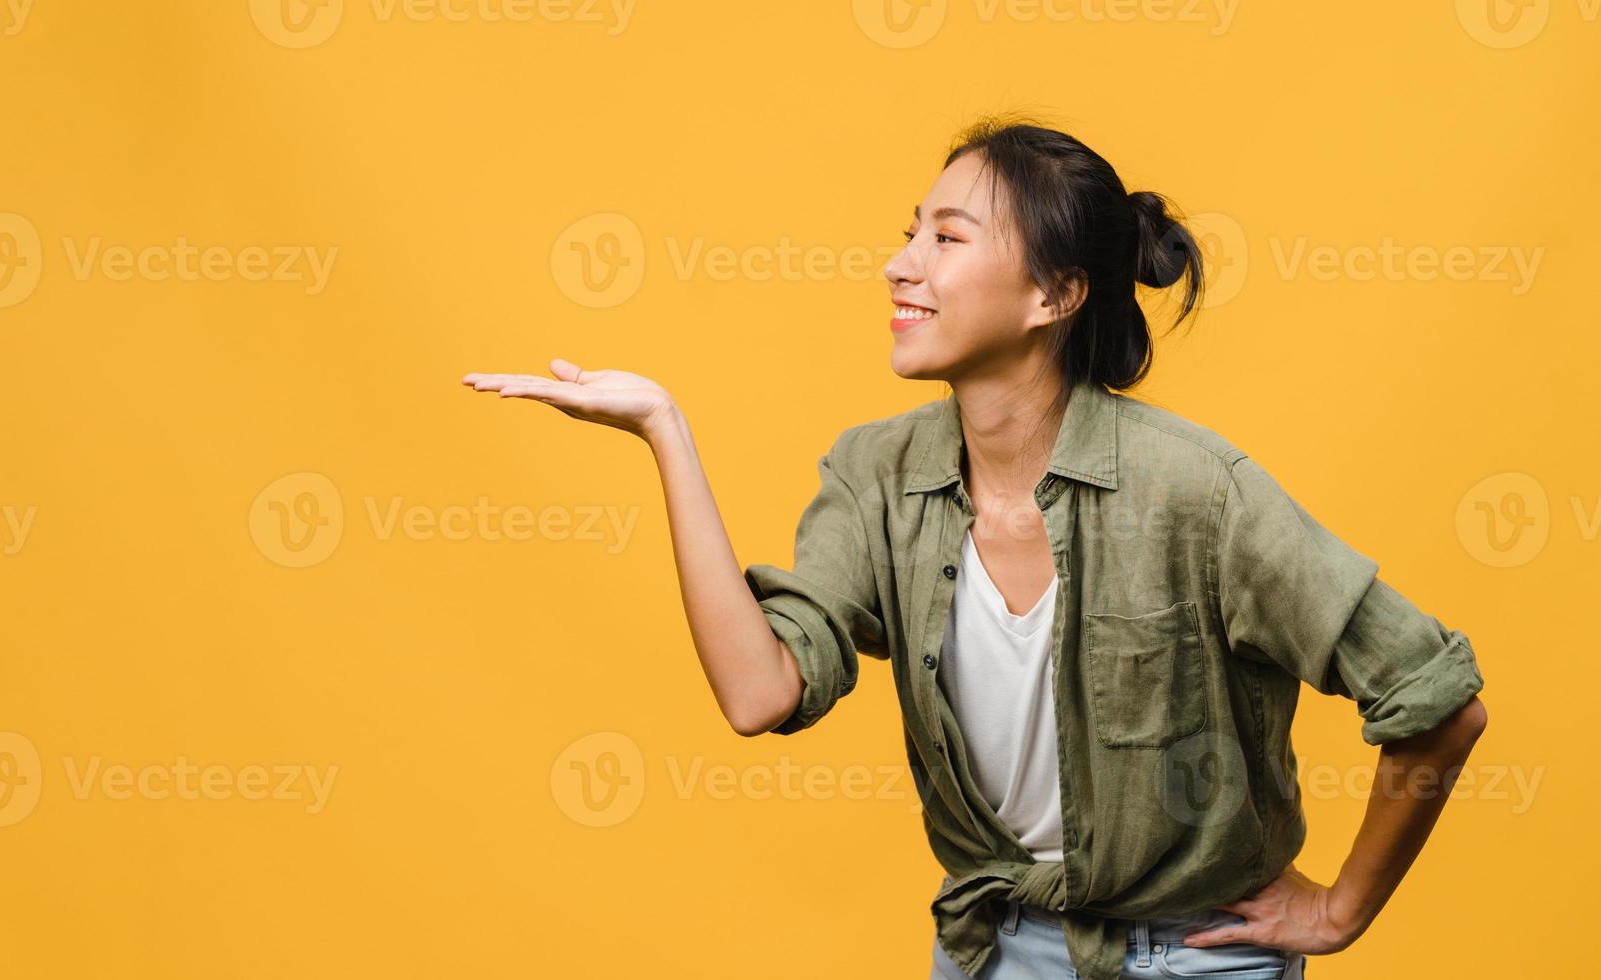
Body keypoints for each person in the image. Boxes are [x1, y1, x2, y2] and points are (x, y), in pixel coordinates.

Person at [461, 116, 1488, 980]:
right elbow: (758, 692)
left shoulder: (1194, 490)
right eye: (910, 234)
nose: (899, 265)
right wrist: (664, 431)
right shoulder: (876, 477)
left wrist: (1342, 905)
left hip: (1199, 954)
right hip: (994, 948)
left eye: (947, 239)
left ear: (1054, 295)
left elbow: (1436, 699)